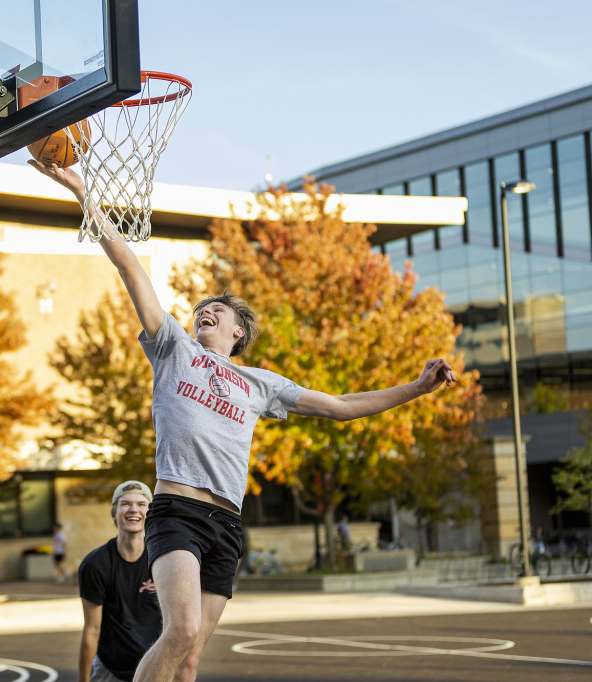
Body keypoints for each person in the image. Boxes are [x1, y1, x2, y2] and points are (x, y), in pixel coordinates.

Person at [30, 160, 458, 682]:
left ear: (238, 332)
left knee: (189, 662)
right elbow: (130, 268)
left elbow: (342, 406)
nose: (202, 312)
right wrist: (83, 195)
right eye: (199, 310)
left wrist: (416, 388)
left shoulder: (261, 384)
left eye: (215, 310)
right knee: (180, 631)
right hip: (178, 511)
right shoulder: (173, 349)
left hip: (228, 525)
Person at [78, 481, 161, 682]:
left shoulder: (163, 561)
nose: (134, 509)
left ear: (150, 512)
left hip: (158, 667)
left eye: (142, 504)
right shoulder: (95, 565)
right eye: (125, 504)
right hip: (110, 670)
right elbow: (92, 630)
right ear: (114, 513)